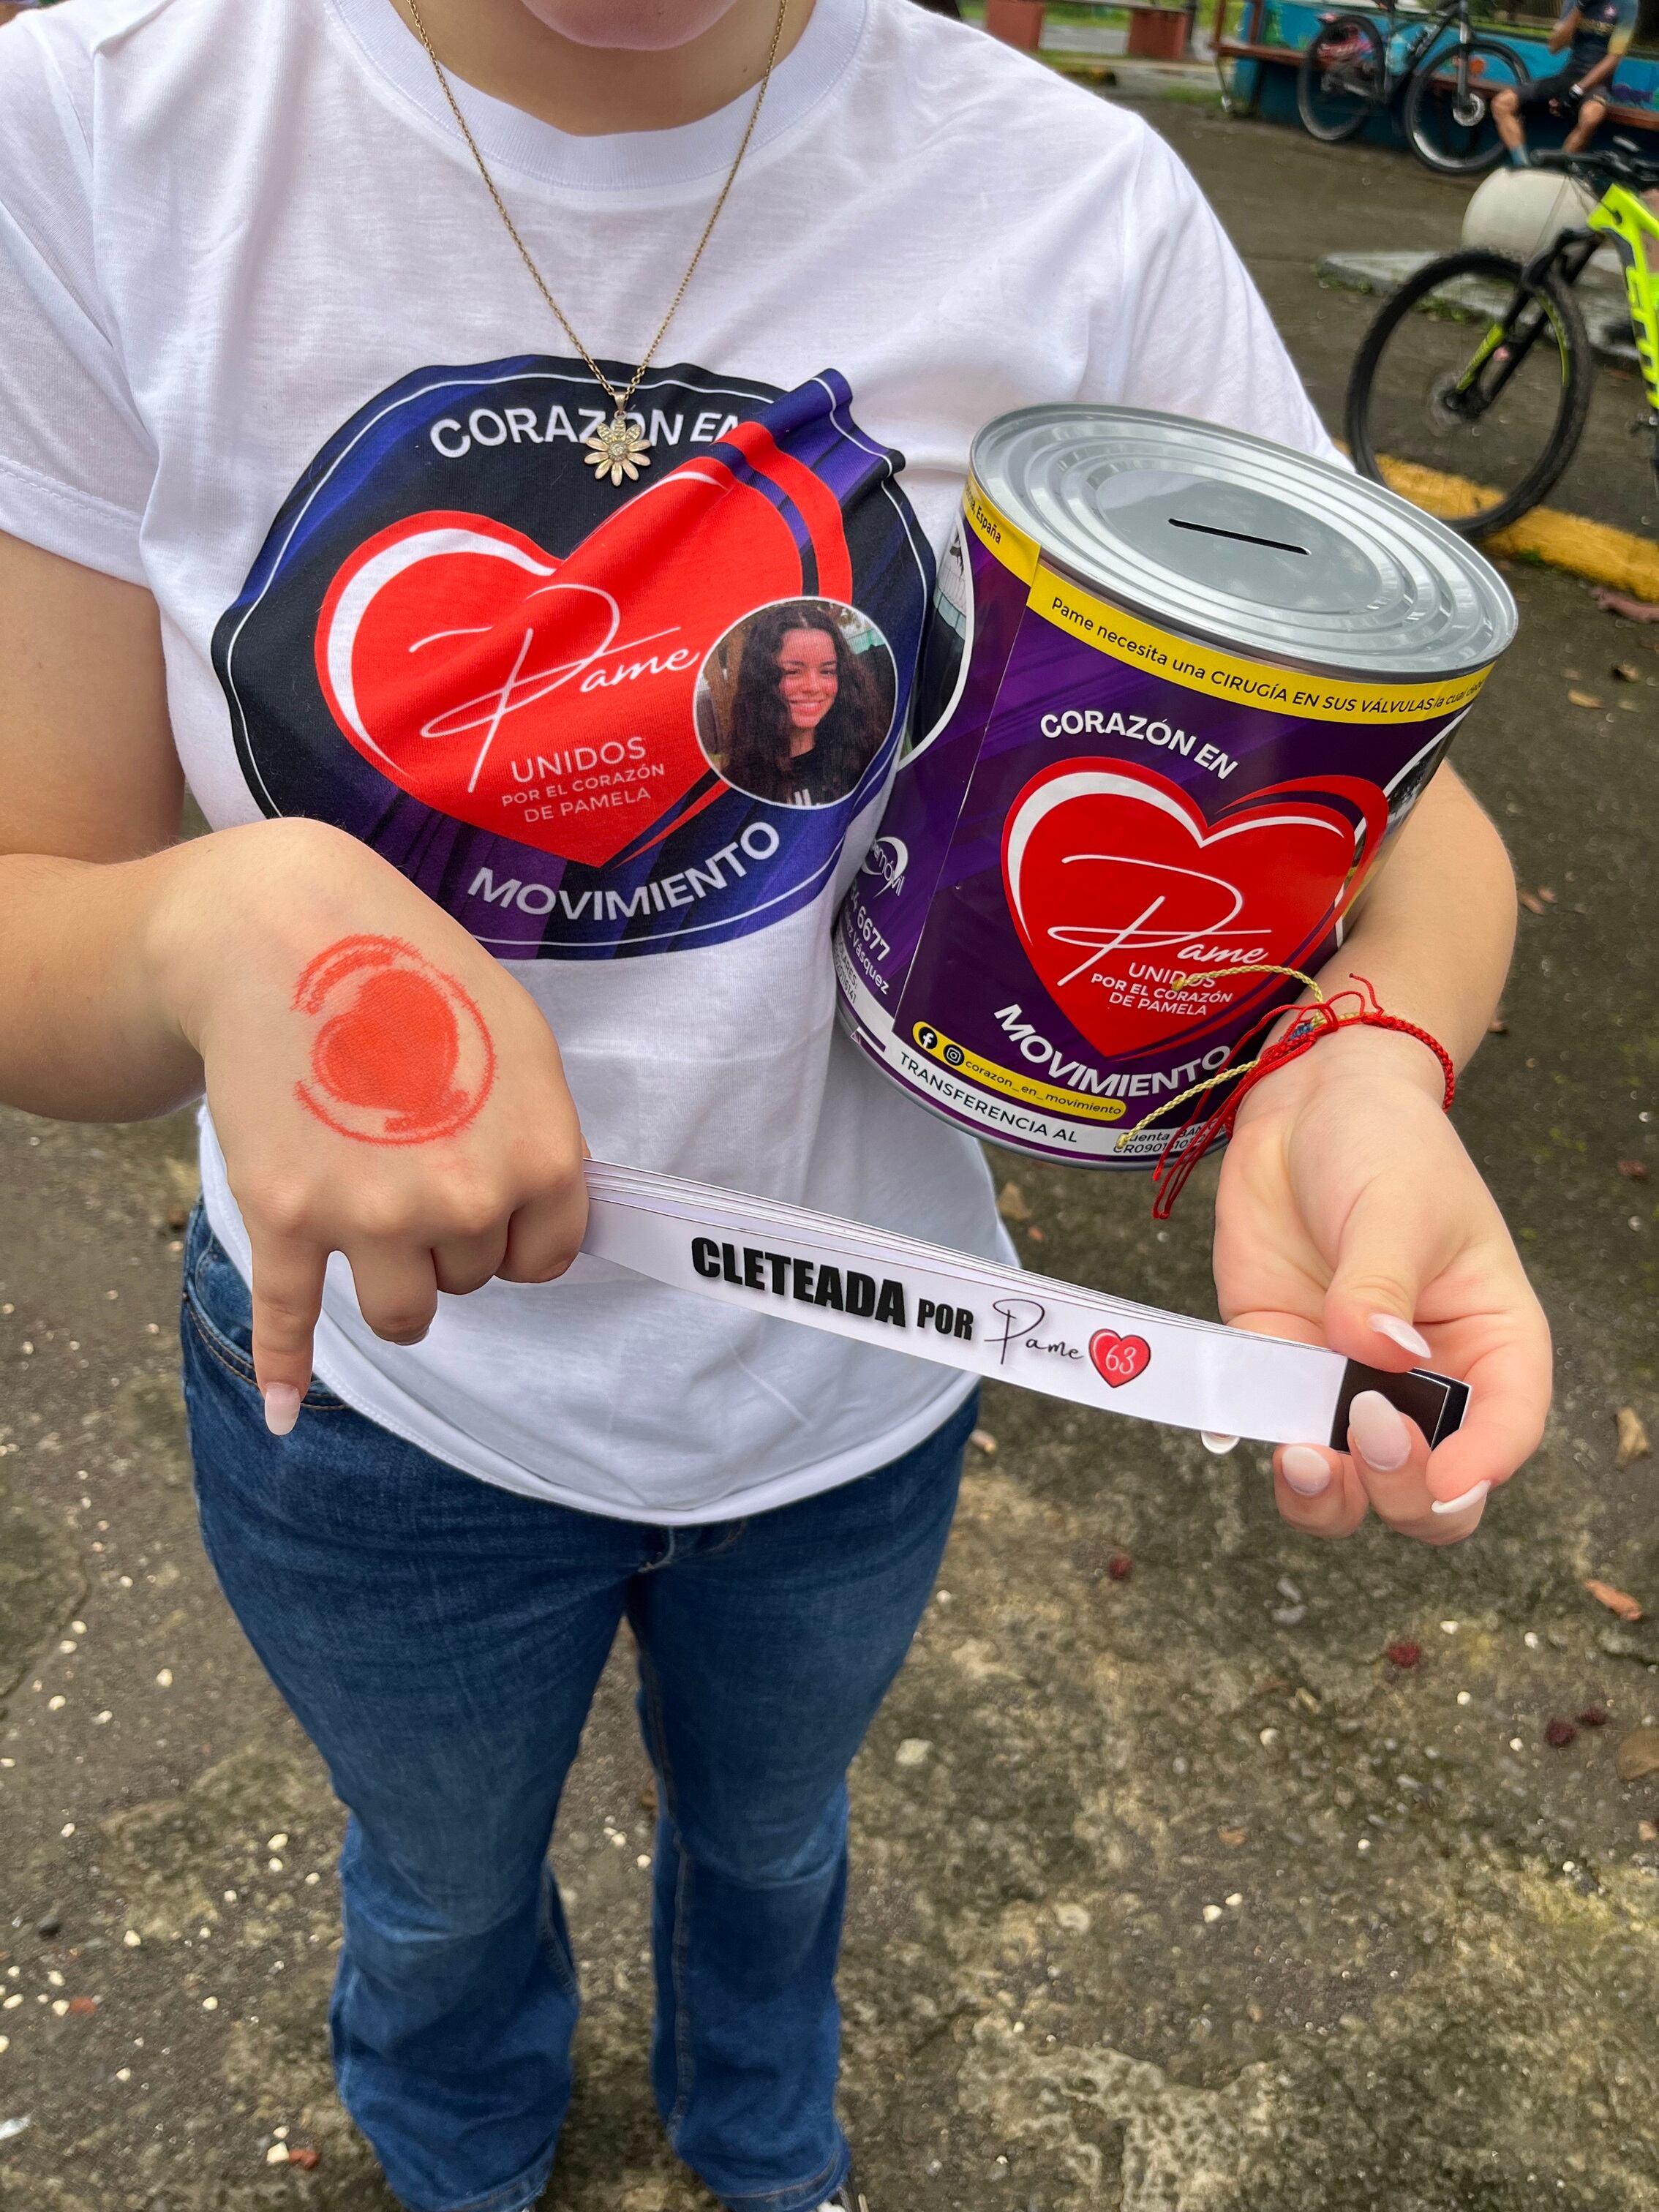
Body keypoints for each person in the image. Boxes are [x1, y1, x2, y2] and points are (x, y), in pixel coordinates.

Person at [0, 4, 1551, 2211]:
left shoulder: (1079, 210)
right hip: (375, 1409)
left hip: (856, 1405)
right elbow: (31, 906)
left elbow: (1408, 812)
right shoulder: (96, 133)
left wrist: (1365, 1057)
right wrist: (205, 923)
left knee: (778, 1842)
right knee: (436, 1888)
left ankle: (762, 2138)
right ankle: (459, 2150)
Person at [710, 600, 887, 805]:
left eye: (827, 671)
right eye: (792, 672)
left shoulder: (869, 758)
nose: (813, 686)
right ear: (761, 679)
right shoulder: (733, 787)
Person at [1492, 0, 1636, 166]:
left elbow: (1614, 59)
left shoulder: (1628, 4)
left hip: (1597, 83)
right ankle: (1523, 166)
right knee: (1502, 104)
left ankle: (1558, 171)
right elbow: (1555, 46)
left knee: (1591, 116)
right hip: (1569, 75)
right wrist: (1580, 7)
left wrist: (1578, 90)